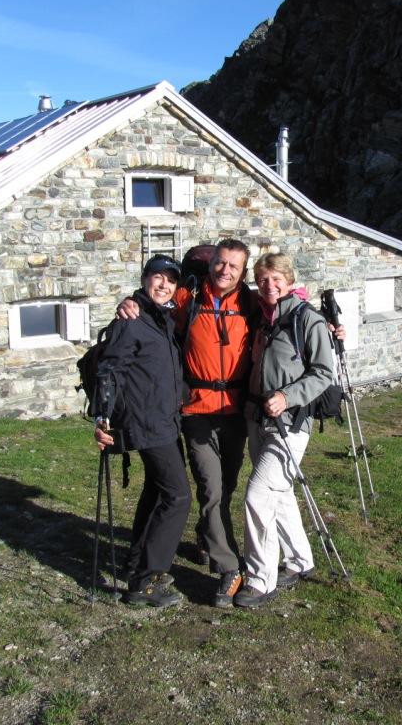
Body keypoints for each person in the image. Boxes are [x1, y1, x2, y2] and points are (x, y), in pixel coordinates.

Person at [118, 239, 255, 608]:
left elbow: (285, 315)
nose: (224, 271)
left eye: (233, 267)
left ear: (243, 273)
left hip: (235, 411)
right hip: (196, 410)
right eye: (220, 263)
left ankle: (207, 541)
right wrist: (130, 299)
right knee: (209, 489)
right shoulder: (187, 298)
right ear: (211, 263)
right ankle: (230, 567)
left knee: (225, 488)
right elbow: (153, 299)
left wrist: (329, 331)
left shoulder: (251, 304)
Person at [233, 252, 337, 608]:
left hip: (290, 422)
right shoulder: (261, 318)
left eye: (277, 278)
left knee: (258, 496)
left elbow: (324, 372)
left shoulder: (307, 319)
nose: (269, 285)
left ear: (290, 282)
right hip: (258, 418)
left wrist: (286, 396)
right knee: (279, 493)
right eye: (263, 279)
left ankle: (261, 580)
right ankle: (299, 560)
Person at [95, 254, 191, 607]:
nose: (164, 285)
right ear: (145, 278)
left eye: (171, 280)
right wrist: (101, 418)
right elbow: (109, 370)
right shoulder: (131, 320)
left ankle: (136, 565)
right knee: (178, 497)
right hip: (146, 423)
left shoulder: (160, 318)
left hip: (165, 420)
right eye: (158, 278)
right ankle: (145, 581)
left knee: (155, 494)